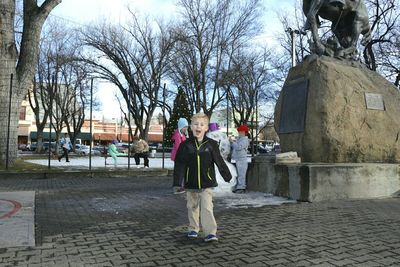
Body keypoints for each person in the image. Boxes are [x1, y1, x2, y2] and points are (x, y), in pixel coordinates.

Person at [173, 113, 232, 242]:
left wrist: (226, 175)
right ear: (191, 127)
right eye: (195, 124)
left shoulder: (211, 144)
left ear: (206, 128)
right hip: (191, 182)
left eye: (202, 124)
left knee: (206, 207)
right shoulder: (185, 145)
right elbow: (180, 164)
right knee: (192, 206)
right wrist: (177, 182)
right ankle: (193, 228)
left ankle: (210, 232)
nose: (198, 127)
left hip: (207, 182)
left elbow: (219, 161)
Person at [206, 122, 237, 194]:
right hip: (220, 159)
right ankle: (227, 188)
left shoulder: (208, 136)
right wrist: (224, 156)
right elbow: (226, 148)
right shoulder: (223, 135)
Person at [230, 124, 250, 193]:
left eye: (241, 132)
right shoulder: (239, 139)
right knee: (238, 174)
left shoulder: (245, 140)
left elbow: (238, 147)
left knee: (241, 174)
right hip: (238, 159)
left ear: (244, 132)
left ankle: (241, 187)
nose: (239, 133)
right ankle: (239, 187)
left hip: (242, 160)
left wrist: (232, 142)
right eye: (239, 132)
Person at [171, 118, 189, 194]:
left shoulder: (183, 135)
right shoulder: (178, 135)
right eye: (184, 127)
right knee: (179, 172)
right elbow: (179, 147)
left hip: (182, 157)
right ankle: (177, 188)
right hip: (179, 157)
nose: (186, 129)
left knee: (183, 171)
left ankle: (183, 185)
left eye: (187, 127)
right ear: (180, 127)